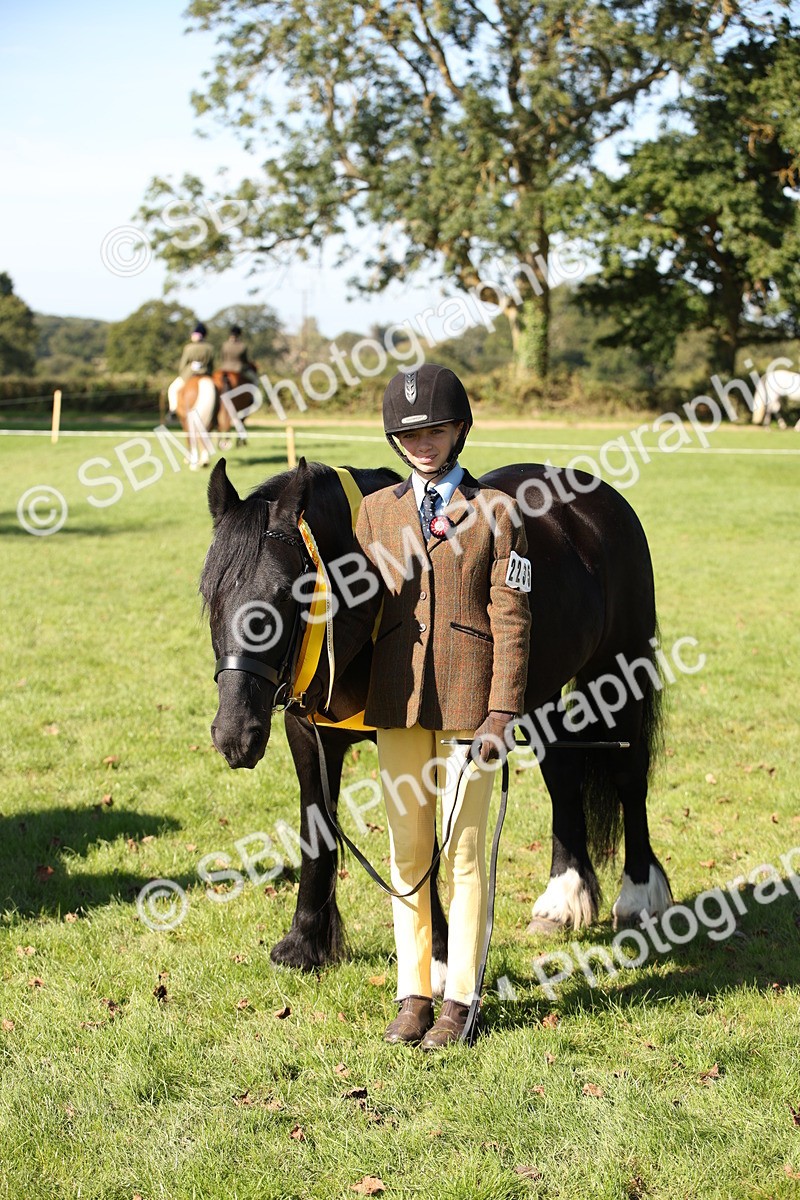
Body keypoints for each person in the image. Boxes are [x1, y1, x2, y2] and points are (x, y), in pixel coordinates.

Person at [354, 364, 531, 1049]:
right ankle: (414, 991)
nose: (422, 443)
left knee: (462, 855)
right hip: (397, 705)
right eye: (409, 433)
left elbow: (512, 618)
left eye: (434, 429)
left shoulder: (495, 513)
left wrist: (503, 712)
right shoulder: (377, 511)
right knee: (407, 854)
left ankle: (461, 998)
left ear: (460, 430)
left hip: (468, 706)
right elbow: (359, 609)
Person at [167, 322, 215, 418]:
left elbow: (183, 365)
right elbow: (211, 365)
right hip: (205, 374)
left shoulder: (188, 348)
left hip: (189, 374)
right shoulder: (210, 348)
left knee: (172, 389)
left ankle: (173, 410)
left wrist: (182, 373)